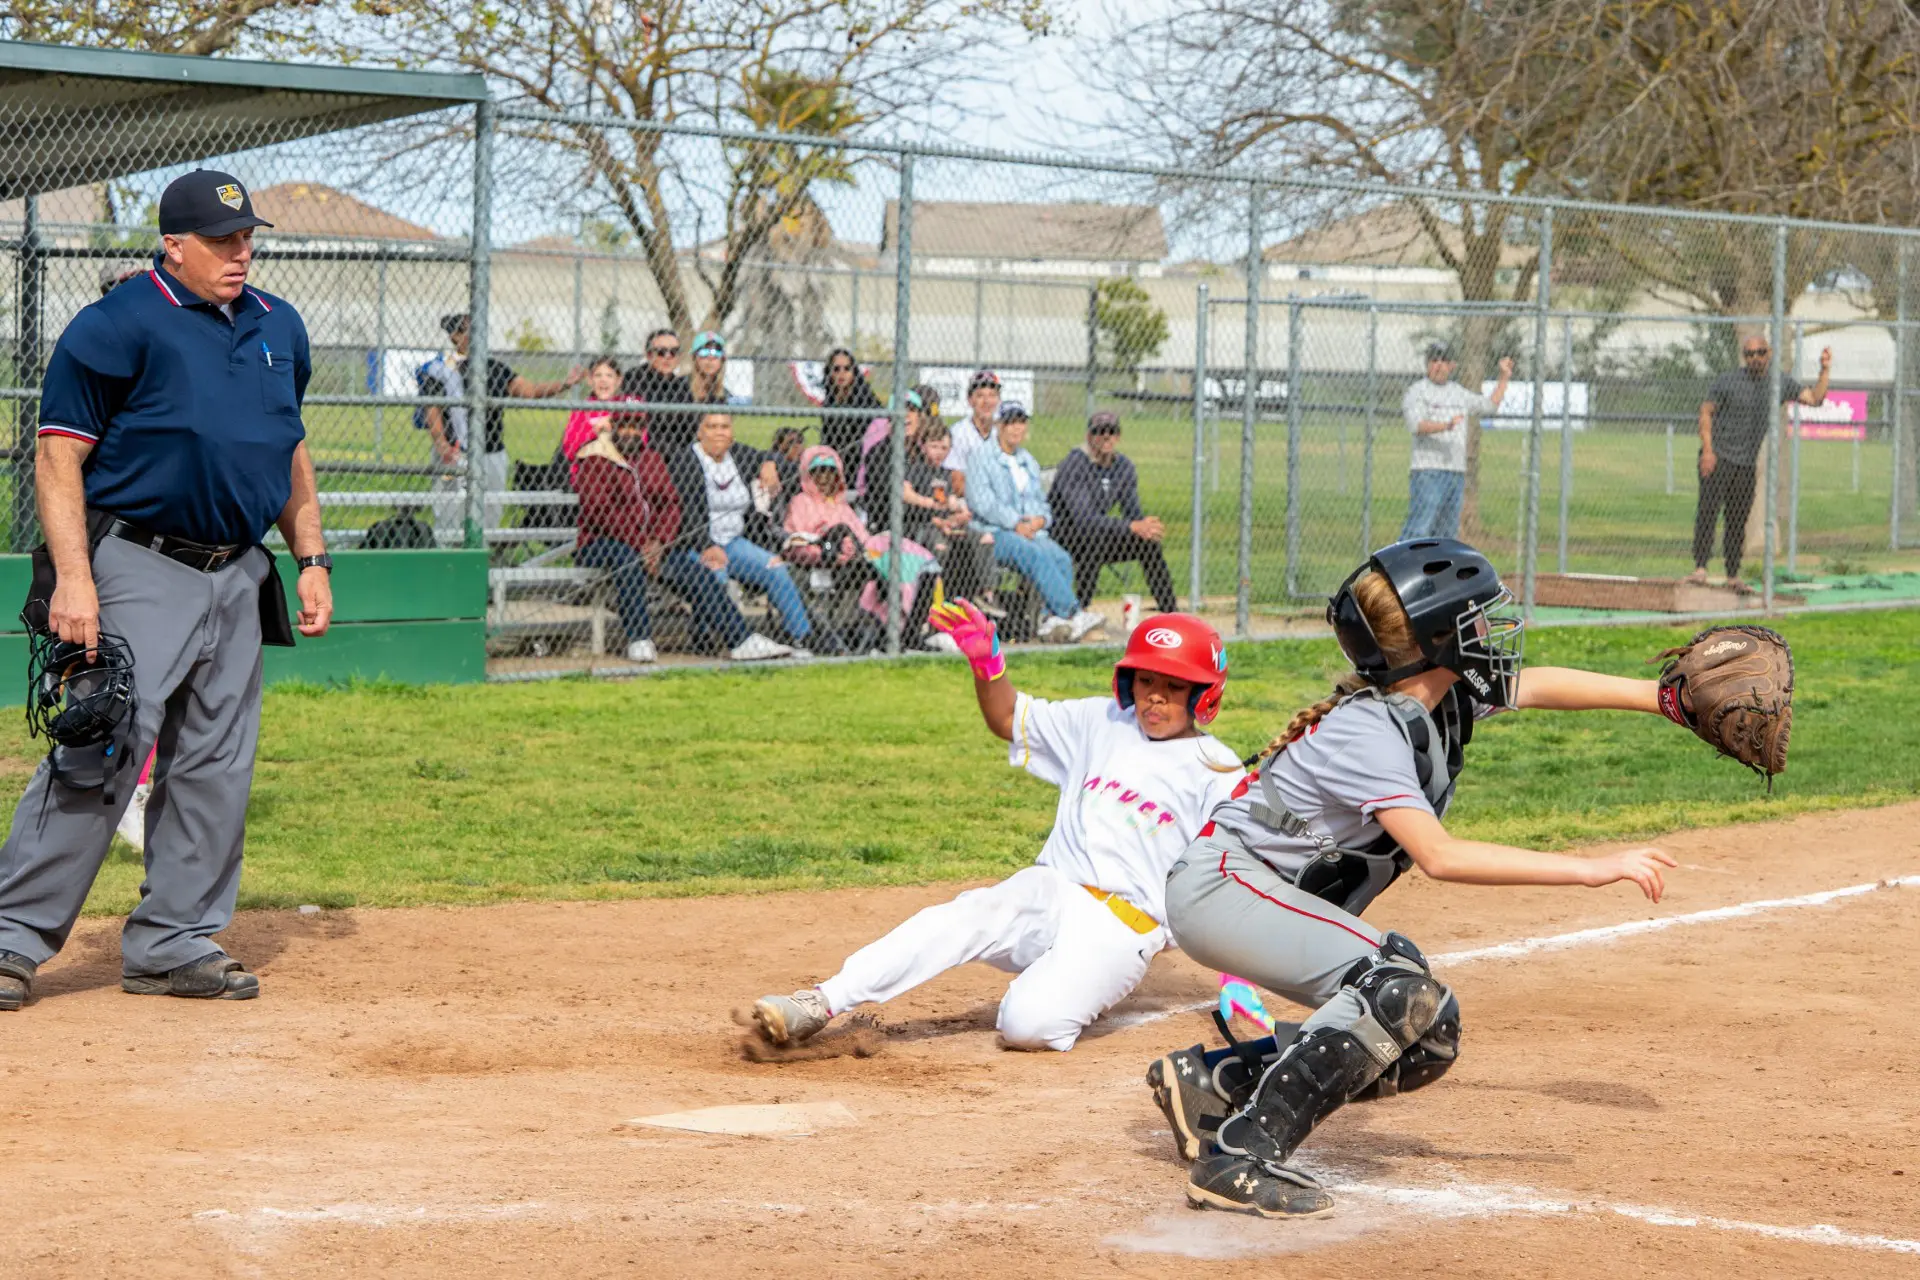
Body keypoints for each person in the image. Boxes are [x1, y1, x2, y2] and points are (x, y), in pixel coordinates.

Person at [1141, 537, 1685, 1219]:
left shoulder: (1435, 698)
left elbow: (1538, 684)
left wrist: (1664, 699)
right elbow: (1440, 856)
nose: (1493, 635)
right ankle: (1241, 1155)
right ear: (1437, 641)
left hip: (1253, 892)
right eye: (1478, 623)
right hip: (1222, 888)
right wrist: (1591, 869)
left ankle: (1213, 1083)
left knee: (1429, 1032)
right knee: (1395, 989)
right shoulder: (1369, 732)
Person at [0, 169, 334, 1011]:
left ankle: (173, 941)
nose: (239, 252)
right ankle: (10, 939)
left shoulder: (277, 326)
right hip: (138, 563)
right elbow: (57, 458)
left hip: (239, 570)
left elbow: (288, 449)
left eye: (247, 238)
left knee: (216, 764)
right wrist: (75, 579)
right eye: (222, 241)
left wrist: (313, 557)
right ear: (172, 245)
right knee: (100, 745)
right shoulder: (116, 326)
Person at [750, 606, 1242, 1052]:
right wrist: (989, 666)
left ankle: (1068, 975)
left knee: (1027, 1027)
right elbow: (1007, 716)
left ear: (1204, 695)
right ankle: (819, 1001)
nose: (1155, 697)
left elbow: (1228, 874)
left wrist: (1236, 970)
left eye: (1174, 686)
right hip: (1053, 887)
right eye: (1145, 680)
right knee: (965, 916)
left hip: (1123, 925)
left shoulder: (1215, 769)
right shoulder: (1101, 720)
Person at [421, 312, 583, 539]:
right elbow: (433, 411)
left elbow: (529, 391)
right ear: (454, 337)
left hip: (491, 452)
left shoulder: (494, 368)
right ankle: (448, 563)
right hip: (454, 452)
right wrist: (442, 445)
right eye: (466, 331)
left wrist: (564, 384)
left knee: (490, 514)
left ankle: (484, 562)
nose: (474, 336)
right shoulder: (441, 369)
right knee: (450, 515)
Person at [1692, 336, 1832, 591]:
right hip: (1719, 457)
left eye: (1759, 352)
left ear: (1769, 353)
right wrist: (1708, 451)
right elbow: (1706, 412)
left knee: (1737, 519)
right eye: (1749, 354)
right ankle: (1700, 568)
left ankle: (1732, 575)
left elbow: (1814, 398)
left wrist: (1824, 370)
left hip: (1745, 463)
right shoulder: (1728, 381)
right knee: (1708, 513)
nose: (1754, 358)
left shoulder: (1779, 383)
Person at [666, 411, 814, 652]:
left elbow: (775, 460)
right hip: (696, 544)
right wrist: (707, 546)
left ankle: (800, 636)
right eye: (711, 426)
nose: (719, 432)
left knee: (775, 568)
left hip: (734, 543)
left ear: (732, 432)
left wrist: (769, 464)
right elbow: (686, 512)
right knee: (715, 574)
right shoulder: (685, 460)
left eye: (725, 426)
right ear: (699, 432)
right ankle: (706, 638)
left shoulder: (739, 455)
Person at [963, 401, 1104, 643]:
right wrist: (1016, 523)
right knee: (1032, 555)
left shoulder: (1027, 460)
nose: (1017, 428)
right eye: (1010, 423)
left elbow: (1041, 502)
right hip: (994, 532)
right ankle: (1072, 613)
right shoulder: (981, 458)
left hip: (1030, 532)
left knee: (1060, 558)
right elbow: (982, 504)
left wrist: (1041, 520)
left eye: (1021, 422)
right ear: (999, 426)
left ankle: (1051, 622)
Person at [782, 446, 939, 649]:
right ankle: (895, 629)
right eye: (818, 471)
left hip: (856, 559)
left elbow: (864, 539)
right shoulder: (800, 503)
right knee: (877, 569)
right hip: (826, 560)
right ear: (808, 474)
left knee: (893, 553)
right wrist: (824, 553)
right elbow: (795, 541)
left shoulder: (841, 505)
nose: (824, 477)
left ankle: (909, 625)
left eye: (830, 471)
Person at [571, 412, 686, 664]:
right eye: (625, 426)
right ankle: (640, 638)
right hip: (598, 543)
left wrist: (658, 540)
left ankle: (739, 638)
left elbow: (670, 505)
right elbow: (599, 512)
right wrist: (640, 544)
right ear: (614, 428)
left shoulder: (652, 459)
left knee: (691, 565)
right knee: (627, 557)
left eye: (637, 427)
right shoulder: (596, 456)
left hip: (648, 545)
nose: (631, 432)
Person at [1050, 411, 1179, 614]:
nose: (1106, 436)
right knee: (1092, 539)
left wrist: (1144, 527)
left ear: (1118, 436)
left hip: (1097, 533)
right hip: (1064, 535)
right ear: (1089, 436)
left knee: (1148, 543)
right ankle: (1080, 611)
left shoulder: (1123, 467)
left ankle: (1170, 611)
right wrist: (1131, 526)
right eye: (1099, 431)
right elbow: (1084, 520)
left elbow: (1132, 512)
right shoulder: (1075, 464)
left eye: (1111, 431)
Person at [1398, 344, 1513, 540]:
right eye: (1434, 360)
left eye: (1444, 361)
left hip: (1455, 472)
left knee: (1447, 534)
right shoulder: (1417, 391)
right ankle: (1401, 569)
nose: (1439, 366)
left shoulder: (1458, 392)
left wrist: (1503, 377)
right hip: (1428, 471)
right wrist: (1446, 426)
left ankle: (1439, 570)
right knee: (1419, 529)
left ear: (1452, 366)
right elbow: (1416, 425)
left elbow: (1489, 406)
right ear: (1427, 364)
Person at [901, 419, 995, 607]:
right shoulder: (914, 468)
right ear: (923, 445)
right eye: (934, 446)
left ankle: (987, 596)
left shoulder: (946, 474)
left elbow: (951, 502)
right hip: (921, 524)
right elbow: (906, 494)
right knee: (941, 546)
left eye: (944, 448)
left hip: (945, 524)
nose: (939, 452)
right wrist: (932, 506)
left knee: (984, 537)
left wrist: (959, 515)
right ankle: (935, 600)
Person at [559, 356, 636, 481]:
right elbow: (570, 447)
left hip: (622, 469)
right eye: (598, 375)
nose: (603, 380)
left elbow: (640, 438)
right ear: (590, 380)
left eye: (609, 376)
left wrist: (614, 423)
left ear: (619, 380)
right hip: (589, 472)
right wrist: (595, 431)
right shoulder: (582, 409)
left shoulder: (626, 405)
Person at [622, 327, 695, 452]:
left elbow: (690, 429)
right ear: (649, 355)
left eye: (673, 351)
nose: (668, 357)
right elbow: (644, 427)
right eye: (661, 351)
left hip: (680, 456)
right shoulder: (635, 379)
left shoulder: (682, 386)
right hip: (644, 452)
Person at [818, 346, 882, 462]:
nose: (842, 373)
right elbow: (827, 436)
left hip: (865, 454)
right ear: (830, 372)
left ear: (854, 371)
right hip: (838, 455)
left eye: (847, 368)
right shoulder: (829, 400)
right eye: (836, 369)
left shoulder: (864, 396)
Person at [944, 368, 1002, 475]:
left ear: (999, 400)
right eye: (980, 396)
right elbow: (955, 476)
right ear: (970, 400)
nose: (987, 401)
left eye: (992, 395)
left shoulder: (1003, 431)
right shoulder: (958, 432)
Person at [688, 330, 744, 407]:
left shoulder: (725, 395)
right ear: (694, 357)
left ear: (722, 360)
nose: (710, 357)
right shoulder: (680, 387)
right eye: (704, 351)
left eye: (716, 352)